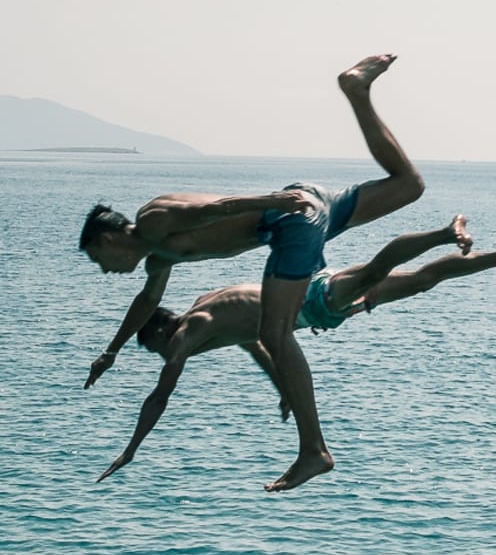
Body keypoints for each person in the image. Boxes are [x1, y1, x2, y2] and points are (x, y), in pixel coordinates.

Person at [79, 53, 422, 491]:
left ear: (108, 239)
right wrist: (112, 351)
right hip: (307, 205)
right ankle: (358, 91)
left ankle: (314, 451)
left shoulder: (153, 220)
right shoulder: (159, 257)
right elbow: (148, 301)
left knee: (274, 332)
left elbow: (214, 208)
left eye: (98, 260)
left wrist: (271, 201)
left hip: (287, 217)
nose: (105, 271)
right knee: (408, 185)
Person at [94, 220, 496, 487]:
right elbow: (258, 341)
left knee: (379, 268)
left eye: (157, 349)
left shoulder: (185, 334)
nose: (165, 357)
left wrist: (131, 449)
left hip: (315, 302)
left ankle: (445, 232)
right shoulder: (208, 309)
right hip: (313, 291)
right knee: (423, 280)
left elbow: (160, 396)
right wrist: (283, 388)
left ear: (162, 330)